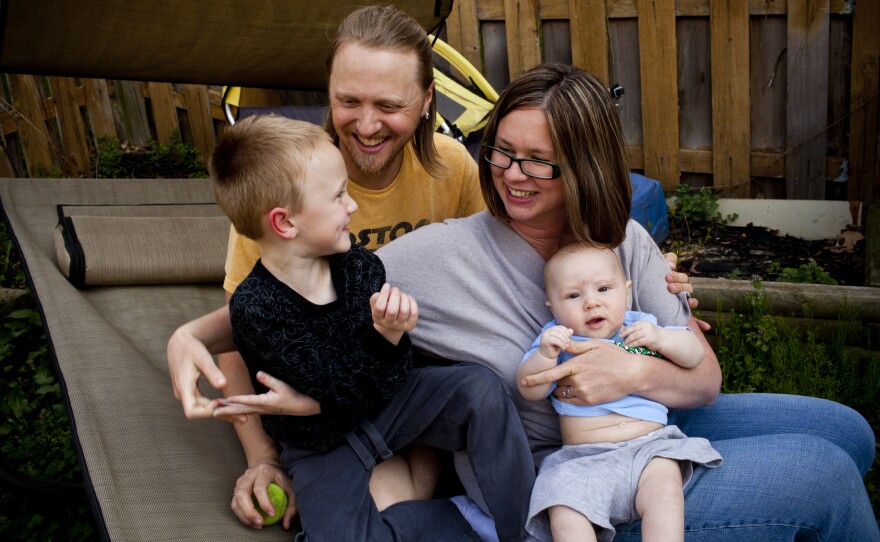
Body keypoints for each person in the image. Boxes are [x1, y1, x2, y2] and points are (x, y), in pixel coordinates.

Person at [169, 62, 879, 540]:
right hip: (565, 483)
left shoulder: (620, 238)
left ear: (589, 164)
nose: (513, 174)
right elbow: (284, 302)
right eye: (503, 152)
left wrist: (629, 371)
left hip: (648, 427)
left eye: (541, 160)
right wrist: (191, 341)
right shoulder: (433, 258)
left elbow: (704, 381)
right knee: (826, 473)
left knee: (848, 430)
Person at [214, 5, 485, 526]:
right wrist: (262, 458)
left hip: (414, 384)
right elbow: (235, 338)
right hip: (323, 405)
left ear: (427, 101)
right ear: (328, 93)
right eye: (347, 101)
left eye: (389, 104)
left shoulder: (452, 169)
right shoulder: (287, 191)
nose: (365, 125)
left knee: (400, 494)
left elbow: (503, 261)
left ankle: (421, 492)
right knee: (375, 507)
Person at [208, 114, 535, 541]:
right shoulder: (256, 308)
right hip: (319, 445)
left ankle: (526, 529)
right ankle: (461, 522)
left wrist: (396, 338)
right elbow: (331, 393)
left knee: (479, 389)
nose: (353, 206)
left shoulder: (361, 268)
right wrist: (383, 339)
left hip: (390, 406)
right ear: (285, 223)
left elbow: (395, 374)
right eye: (338, 196)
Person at [517, 243, 722, 541]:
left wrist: (663, 339)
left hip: (650, 447)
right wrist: (545, 355)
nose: (591, 303)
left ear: (626, 292)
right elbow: (529, 388)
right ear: (553, 306)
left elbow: (693, 355)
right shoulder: (558, 341)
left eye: (604, 289)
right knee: (562, 506)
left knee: (665, 493)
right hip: (582, 459)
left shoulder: (640, 326)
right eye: (574, 296)